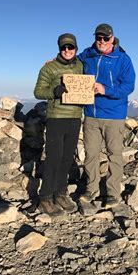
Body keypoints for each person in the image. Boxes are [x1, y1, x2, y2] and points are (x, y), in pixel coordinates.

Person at [78, 23, 136, 208]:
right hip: (91, 113)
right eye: (98, 38)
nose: (101, 41)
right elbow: (71, 62)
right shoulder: (88, 54)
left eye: (105, 38)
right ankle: (92, 188)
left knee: (114, 155)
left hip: (114, 115)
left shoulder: (122, 59)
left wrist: (106, 90)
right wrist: (54, 60)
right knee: (91, 154)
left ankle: (112, 193)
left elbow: (128, 86)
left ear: (112, 38)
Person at [34, 33, 83, 216]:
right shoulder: (49, 68)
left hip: (75, 116)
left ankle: (60, 194)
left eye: (70, 47)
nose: (67, 50)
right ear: (59, 49)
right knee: (53, 159)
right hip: (56, 117)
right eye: (64, 47)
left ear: (76, 49)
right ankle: (45, 197)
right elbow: (38, 92)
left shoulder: (80, 65)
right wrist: (54, 92)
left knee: (67, 159)